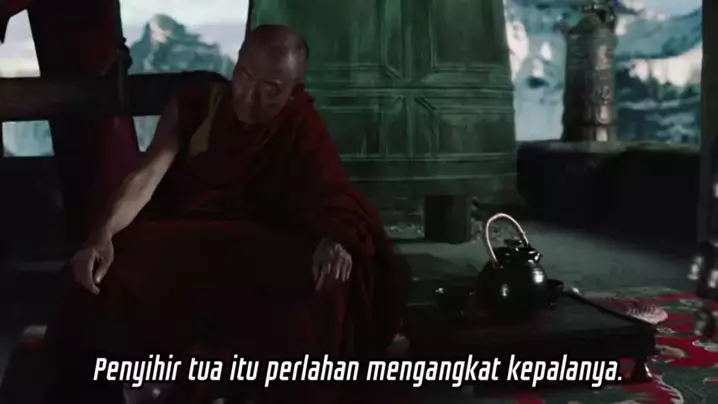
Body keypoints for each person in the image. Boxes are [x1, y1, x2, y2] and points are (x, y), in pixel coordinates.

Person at [41, 24, 409, 404]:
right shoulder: (198, 105)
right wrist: (102, 235)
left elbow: (331, 193)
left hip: (263, 248)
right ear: (235, 65)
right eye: (245, 76)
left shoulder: (300, 124)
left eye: (270, 89)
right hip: (192, 238)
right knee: (107, 269)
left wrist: (336, 239)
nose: (250, 97)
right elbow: (147, 175)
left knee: (330, 282)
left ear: (294, 89)